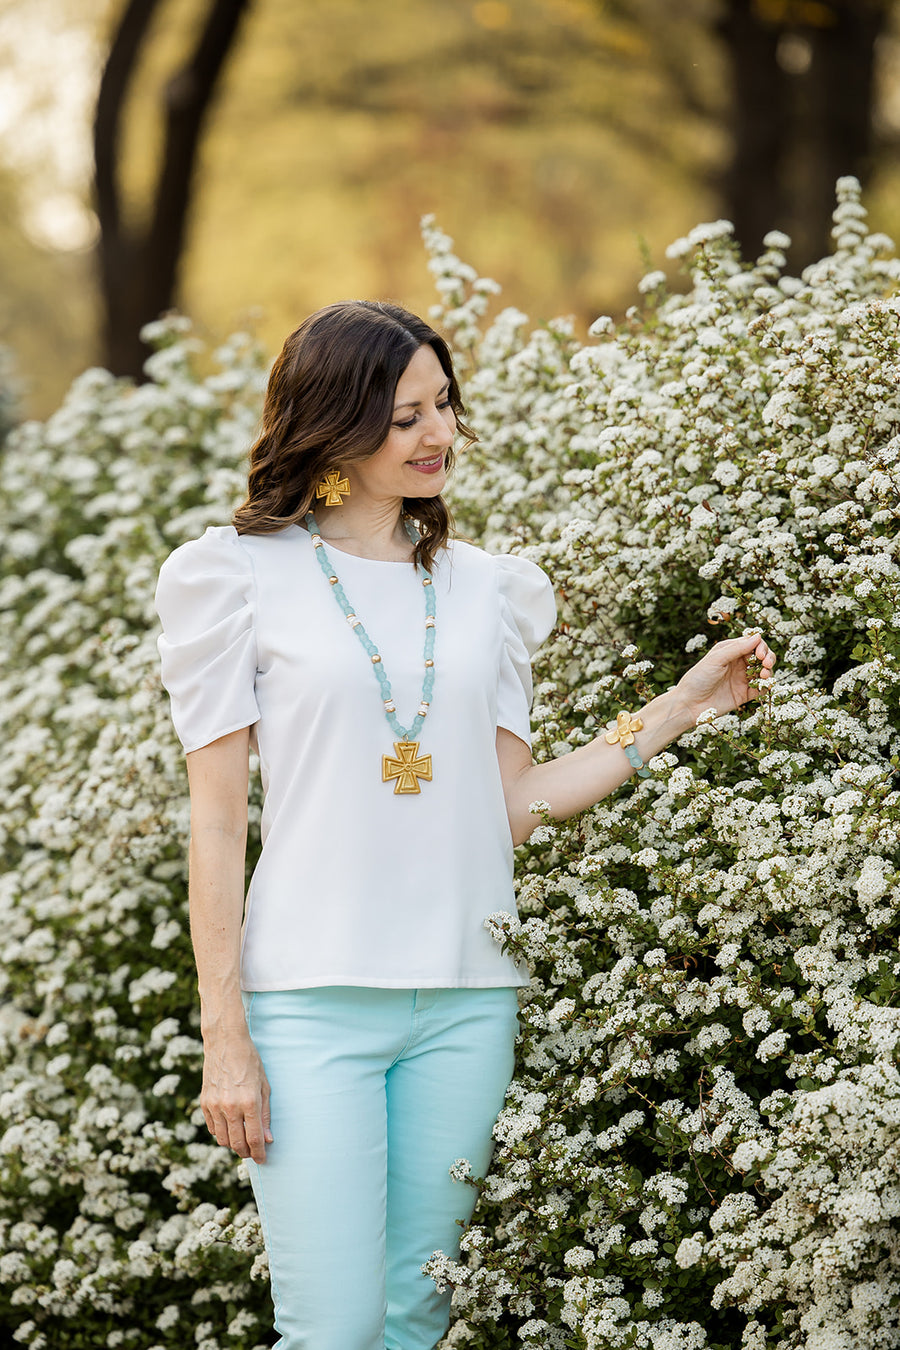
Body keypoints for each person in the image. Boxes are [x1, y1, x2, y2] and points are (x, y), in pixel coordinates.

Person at [154, 300, 775, 1350]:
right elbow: (215, 828)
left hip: (466, 1005)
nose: (437, 433)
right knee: (333, 1329)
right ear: (330, 424)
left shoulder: (492, 590)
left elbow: (512, 805)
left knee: (413, 1319)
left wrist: (682, 708)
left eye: (444, 405)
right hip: (309, 1007)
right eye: (404, 416)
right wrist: (227, 1036)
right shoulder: (235, 578)